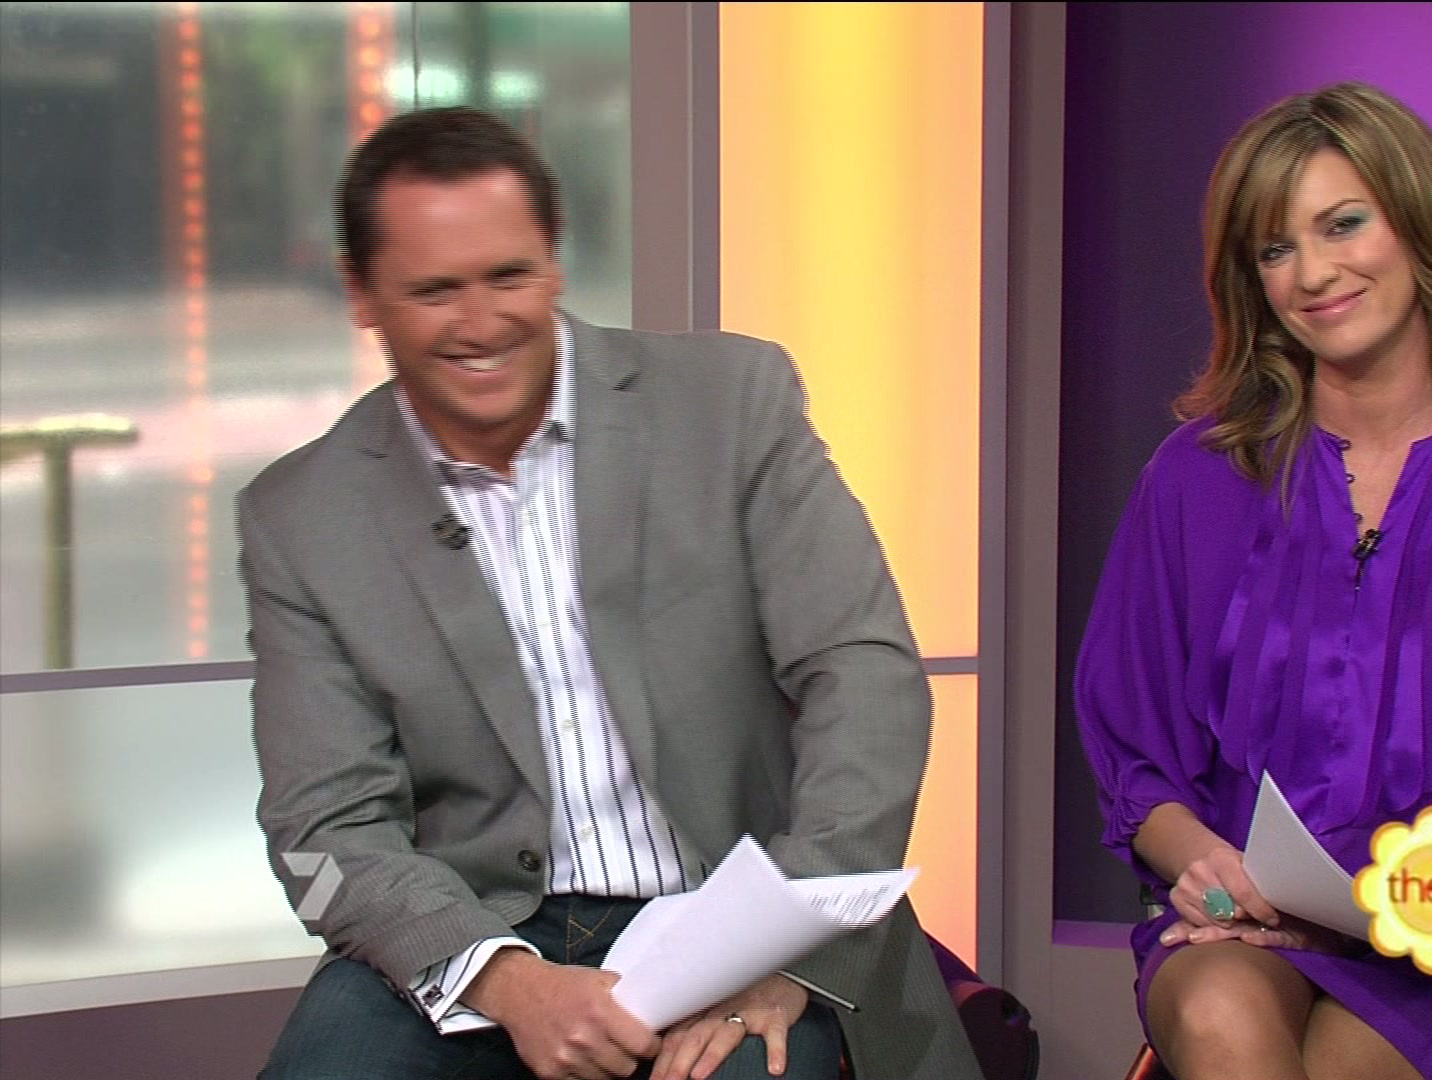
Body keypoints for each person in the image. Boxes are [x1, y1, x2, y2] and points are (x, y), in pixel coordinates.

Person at [244, 106, 980, 1080]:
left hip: (735, 915)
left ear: (554, 260)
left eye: (509, 276)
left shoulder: (731, 404)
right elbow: (324, 828)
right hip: (469, 934)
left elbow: (867, 679)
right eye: (434, 290)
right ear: (362, 294)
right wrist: (509, 982)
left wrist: (785, 941)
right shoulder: (303, 515)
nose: (481, 323)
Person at [1074, 82, 1432, 1080]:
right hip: (1244, 915)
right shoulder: (1196, 478)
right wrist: (1200, 863)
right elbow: (1137, 751)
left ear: (1418, 224)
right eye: (1274, 249)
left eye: (1342, 225)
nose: (1313, 273)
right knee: (1217, 1012)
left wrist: (1375, 906)